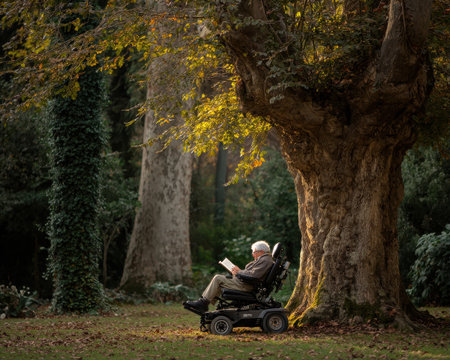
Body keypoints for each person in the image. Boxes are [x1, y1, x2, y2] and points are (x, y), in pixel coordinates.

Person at [185, 241, 274, 313]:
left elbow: (254, 276)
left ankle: (203, 303)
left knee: (218, 278)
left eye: (254, 252)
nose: (253, 254)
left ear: (261, 252)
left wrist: (239, 272)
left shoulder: (265, 260)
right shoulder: (264, 259)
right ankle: (204, 303)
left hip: (246, 286)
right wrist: (238, 272)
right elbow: (252, 273)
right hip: (245, 283)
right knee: (220, 279)